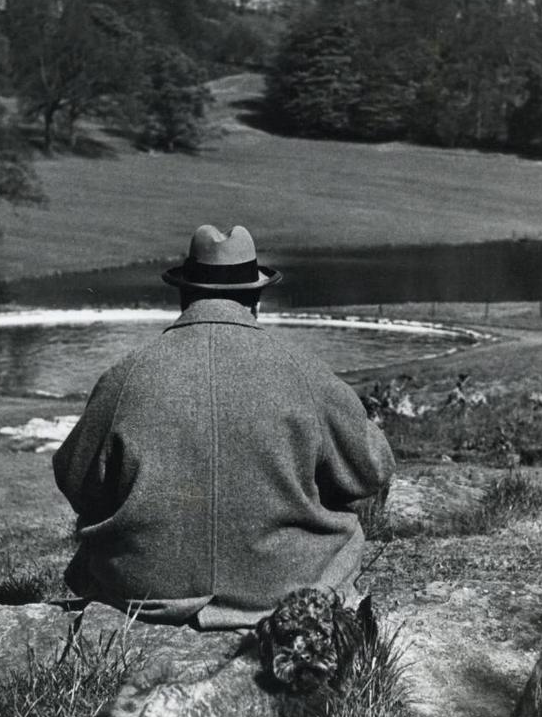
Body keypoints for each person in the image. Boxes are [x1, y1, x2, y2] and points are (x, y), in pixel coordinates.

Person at [53, 224, 395, 629]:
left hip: (145, 588)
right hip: (282, 586)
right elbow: (371, 470)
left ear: (184, 296)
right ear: (256, 300)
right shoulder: (305, 372)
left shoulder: (125, 375)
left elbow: (77, 480)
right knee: (347, 530)